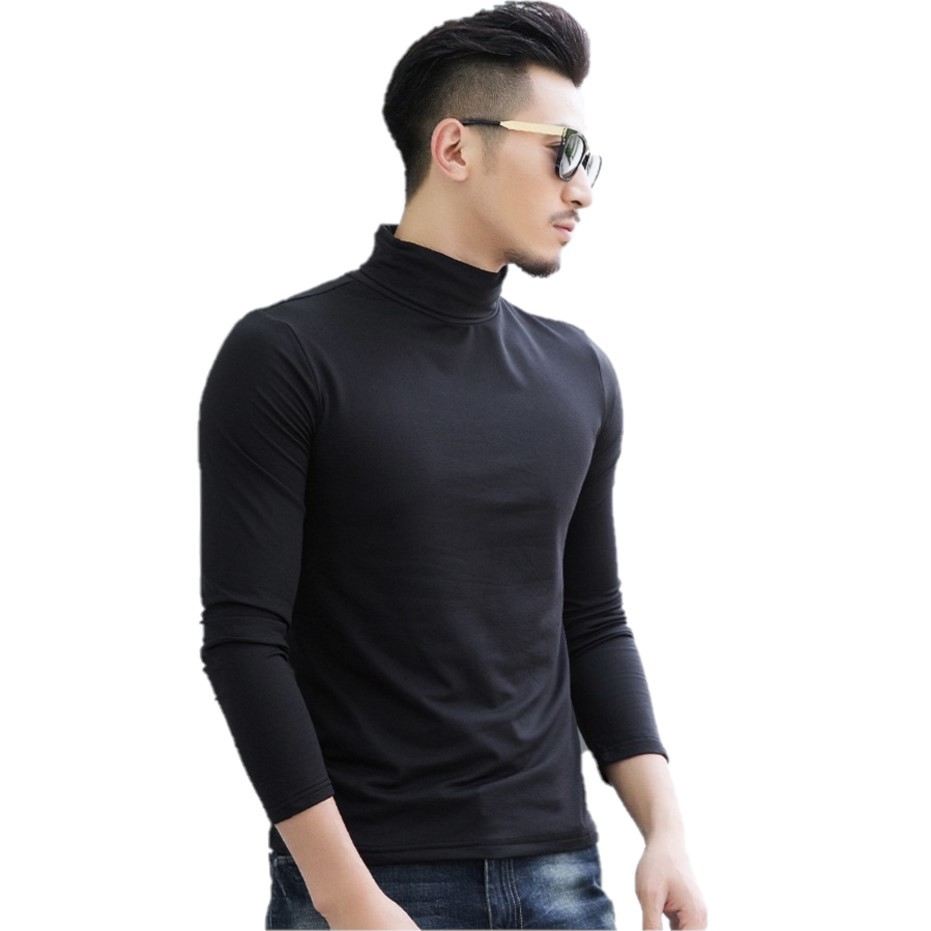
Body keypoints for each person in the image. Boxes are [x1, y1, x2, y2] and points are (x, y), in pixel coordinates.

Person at [199, 2, 707, 928]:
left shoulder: (578, 372)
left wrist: (663, 829)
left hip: (562, 877)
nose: (582, 188)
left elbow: (592, 619)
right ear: (455, 148)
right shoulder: (286, 355)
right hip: (374, 880)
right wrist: (346, 895)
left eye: (590, 160)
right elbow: (244, 641)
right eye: (562, 151)